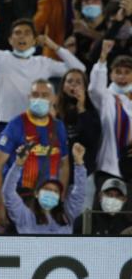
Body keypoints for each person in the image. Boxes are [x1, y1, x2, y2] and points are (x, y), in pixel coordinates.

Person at [0, 0, 85, 128]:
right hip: (8, 123)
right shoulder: (1, 59)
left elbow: (79, 70)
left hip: (38, 122)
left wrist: (54, 47)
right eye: (17, 33)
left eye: (27, 33)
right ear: (10, 40)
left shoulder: (44, 63)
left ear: (35, 40)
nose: (22, 36)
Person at [0, 79, 70, 227]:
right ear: (29, 97)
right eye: (35, 94)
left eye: (45, 95)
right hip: (20, 200)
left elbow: (64, 165)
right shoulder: (16, 125)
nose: (39, 99)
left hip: (49, 204)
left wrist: (61, 198)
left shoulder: (59, 127)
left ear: (54, 99)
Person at [3, 143, 86, 234]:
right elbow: (8, 192)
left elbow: (79, 194)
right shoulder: (24, 216)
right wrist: (18, 164)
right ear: (36, 193)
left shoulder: (66, 216)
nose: (51, 193)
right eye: (47, 189)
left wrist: (79, 163)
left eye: (55, 191)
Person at [88, 41, 132, 182]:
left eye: (127, 72)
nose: (122, 77)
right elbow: (94, 89)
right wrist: (103, 58)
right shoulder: (106, 97)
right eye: (117, 72)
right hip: (109, 168)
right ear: (110, 75)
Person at [55, 69, 101, 204]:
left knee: (81, 222)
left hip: (83, 177)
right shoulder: (54, 111)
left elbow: (92, 140)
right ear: (63, 85)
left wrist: (81, 108)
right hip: (57, 176)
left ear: (85, 88)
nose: (73, 85)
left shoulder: (91, 111)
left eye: (78, 82)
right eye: (69, 81)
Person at [72, 0, 112, 68]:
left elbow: (113, 44)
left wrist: (87, 32)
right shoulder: (74, 28)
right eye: (86, 0)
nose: (90, 2)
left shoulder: (111, 25)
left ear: (103, 4)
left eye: (95, 0)